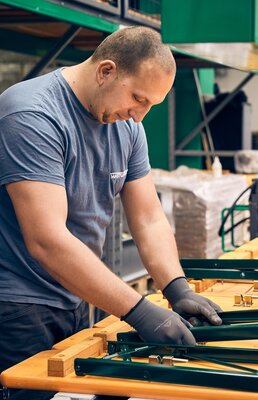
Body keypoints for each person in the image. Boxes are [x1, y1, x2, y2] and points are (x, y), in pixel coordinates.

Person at [0, 26, 222, 399]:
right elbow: (47, 240)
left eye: (151, 104)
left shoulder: (127, 126)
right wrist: (139, 311)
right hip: (18, 305)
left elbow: (149, 217)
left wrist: (175, 286)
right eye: (137, 98)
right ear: (106, 71)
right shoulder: (32, 114)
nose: (140, 116)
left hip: (75, 296)